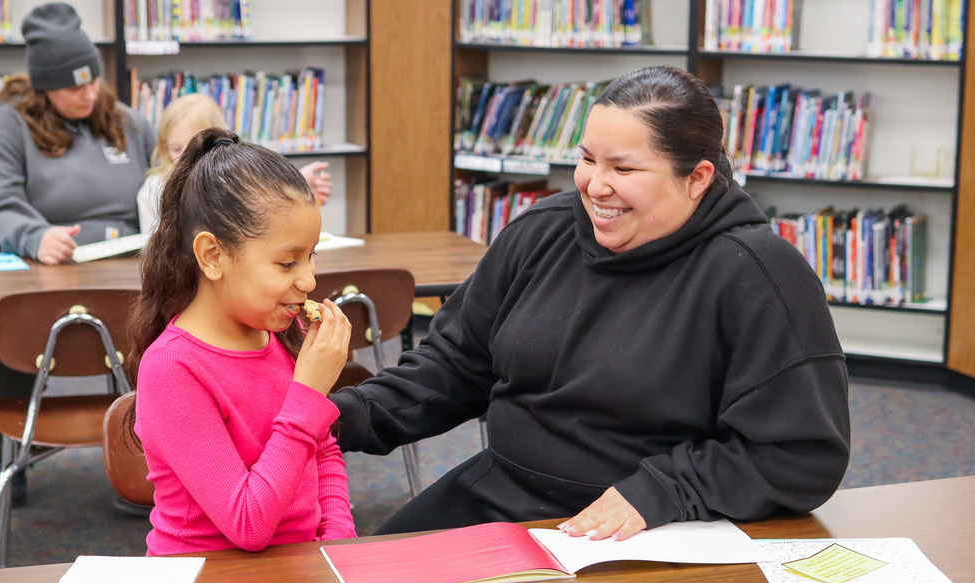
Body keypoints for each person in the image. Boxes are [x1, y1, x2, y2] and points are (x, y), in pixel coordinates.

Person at [330, 65, 851, 540]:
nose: (595, 186)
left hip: (658, 522)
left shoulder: (758, 273)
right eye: (586, 159)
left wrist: (664, 490)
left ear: (696, 178)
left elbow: (800, 455)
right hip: (503, 493)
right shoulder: (541, 231)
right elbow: (454, 366)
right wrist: (336, 417)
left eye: (623, 170)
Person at [0, 1, 155, 502]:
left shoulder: (128, 123)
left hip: (118, 270)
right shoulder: (4, 126)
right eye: (71, 86)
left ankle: (151, 445)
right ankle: (2, 445)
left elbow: (163, 183)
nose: (86, 93)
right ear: (43, 86)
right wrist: (32, 233)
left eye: (92, 82)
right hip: (34, 270)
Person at [126, 127, 356, 555]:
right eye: (287, 262)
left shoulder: (286, 333)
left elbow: (323, 453)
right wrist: (308, 392)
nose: (308, 280)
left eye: (311, 258)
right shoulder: (172, 368)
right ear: (213, 256)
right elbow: (248, 524)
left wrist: (339, 544)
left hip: (296, 572)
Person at [136, 92, 333, 235]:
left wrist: (297, 189)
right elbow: (153, 252)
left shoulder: (236, 181)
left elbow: (269, 223)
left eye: (195, 146)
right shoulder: (154, 189)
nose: (187, 157)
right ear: (164, 146)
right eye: (177, 149)